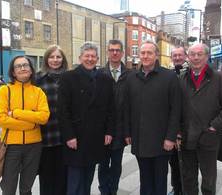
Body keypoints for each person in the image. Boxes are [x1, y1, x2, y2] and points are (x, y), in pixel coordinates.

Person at [124, 40, 181, 195]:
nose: (145, 56)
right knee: (145, 180)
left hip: (162, 141)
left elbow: (176, 110)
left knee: (159, 181)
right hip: (140, 139)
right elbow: (127, 107)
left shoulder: (169, 77)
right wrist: (127, 132)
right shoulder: (132, 77)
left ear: (156, 55)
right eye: (142, 53)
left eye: (149, 53)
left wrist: (170, 137)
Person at [58, 42, 114, 195]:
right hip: (75, 137)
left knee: (88, 178)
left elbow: (111, 109)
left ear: (97, 58)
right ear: (80, 58)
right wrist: (69, 136)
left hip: (95, 137)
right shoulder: (68, 78)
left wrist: (109, 131)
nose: (90, 59)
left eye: (93, 56)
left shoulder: (106, 80)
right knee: (75, 181)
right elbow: (63, 110)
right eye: (86, 56)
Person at [180, 43, 222, 195]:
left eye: (200, 54)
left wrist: (215, 126)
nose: (196, 57)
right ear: (188, 57)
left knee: (208, 178)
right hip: (187, 137)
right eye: (192, 54)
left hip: (209, 137)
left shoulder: (218, 78)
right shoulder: (182, 78)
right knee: (188, 177)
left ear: (206, 57)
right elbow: (177, 106)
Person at [0, 55, 50, 195]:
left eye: (25, 65)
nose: (22, 68)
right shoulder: (4, 91)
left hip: (34, 146)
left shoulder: (38, 92)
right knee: (8, 187)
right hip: (11, 146)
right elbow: (0, 119)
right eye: (18, 66)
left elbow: (43, 117)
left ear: (31, 70)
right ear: (13, 72)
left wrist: (16, 112)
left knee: (27, 187)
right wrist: (31, 123)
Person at [98, 40, 130, 195]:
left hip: (121, 129)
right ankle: (104, 191)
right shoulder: (99, 74)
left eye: (117, 50)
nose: (115, 53)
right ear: (107, 52)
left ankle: (114, 190)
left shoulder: (130, 75)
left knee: (116, 164)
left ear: (122, 53)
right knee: (103, 164)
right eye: (111, 50)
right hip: (103, 129)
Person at [35, 45, 68, 195]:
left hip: (65, 137)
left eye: (58, 57)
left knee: (63, 178)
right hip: (45, 136)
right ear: (46, 59)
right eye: (52, 57)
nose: (55, 60)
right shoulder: (38, 79)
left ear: (63, 59)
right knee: (46, 178)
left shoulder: (69, 78)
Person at [168, 45, 188, 195]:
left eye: (180, 55)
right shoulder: (168, 75)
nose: (177, 58)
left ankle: (186, 189)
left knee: (188, 163)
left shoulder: (190, 74)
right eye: (174, 56)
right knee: (174, 162)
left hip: (188, 127)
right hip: (171, 127)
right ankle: (176, 188)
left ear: (185, 56)